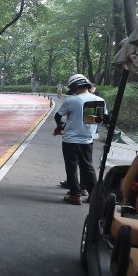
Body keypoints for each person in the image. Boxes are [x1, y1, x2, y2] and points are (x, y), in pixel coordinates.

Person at [53, 74, 105, 205]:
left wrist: (60, 126)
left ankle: (75, 195)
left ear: (74, 87)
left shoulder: (72, 101)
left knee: (71, 167)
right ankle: (93, 195)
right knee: (87, 167)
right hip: (87, 140)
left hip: (70, 140)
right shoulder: (99, 100)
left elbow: (58, 116)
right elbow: (96, 120)